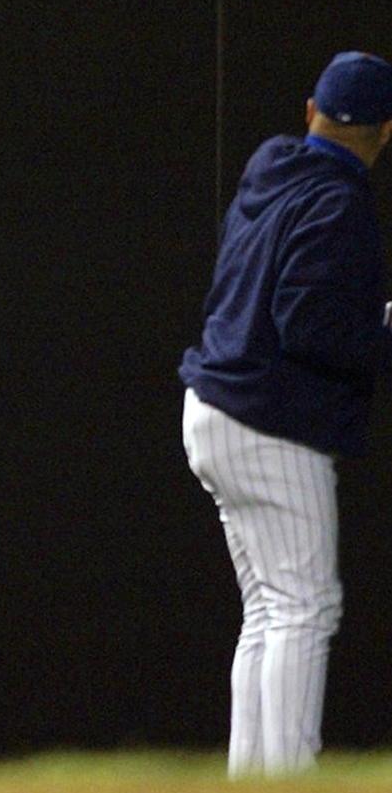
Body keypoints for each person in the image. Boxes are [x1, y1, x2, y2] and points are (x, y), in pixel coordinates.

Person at [179, 50, 392, 776]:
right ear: (385, 131)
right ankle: (291, 782)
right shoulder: (340, 200)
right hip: (267, 422)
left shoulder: (272, 164)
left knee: (269, 609)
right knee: (305, 606)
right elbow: (309, 323)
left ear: (310, 112)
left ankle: (253, 778)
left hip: (211, 404)